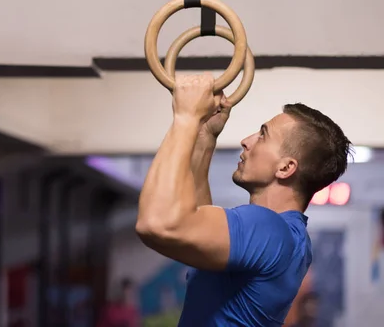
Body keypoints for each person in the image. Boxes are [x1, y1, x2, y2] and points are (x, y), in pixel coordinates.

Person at [135, 73, 352, 326]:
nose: (246, 141)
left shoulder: (269, 230)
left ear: (285, 168)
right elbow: (199, 227)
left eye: (262, 135)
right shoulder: (290, 239)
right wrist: (204, 135)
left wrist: (185, 118)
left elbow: (156, 223)